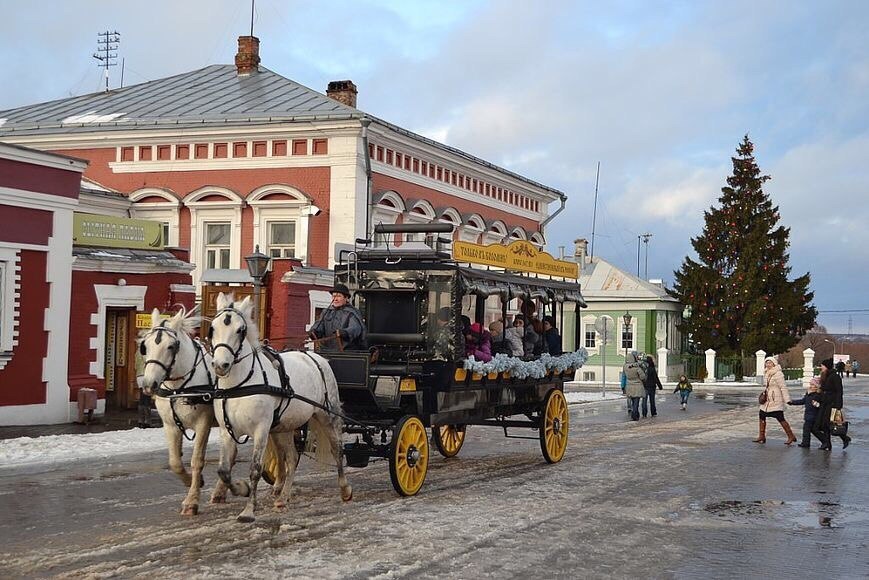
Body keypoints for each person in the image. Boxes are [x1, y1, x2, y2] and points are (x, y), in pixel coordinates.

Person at [309, 283, 365, 351]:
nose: (335, 299)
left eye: (338, 296)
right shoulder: (327, 312)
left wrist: (345, 332)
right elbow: (319, 325)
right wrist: (314, 331)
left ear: (346, 298)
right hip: (326, 350)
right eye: (333, 296)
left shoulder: (351, 313)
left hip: (346, 351)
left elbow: (355, 328)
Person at [754, 356, 797, 445]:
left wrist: (787, 399)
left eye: (770, 363)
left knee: (779, 417)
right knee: (762, 414)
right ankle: (762, 436)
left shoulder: (778, 374)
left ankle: (791, 436)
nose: (768, 364)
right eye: (767, 362)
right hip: (767, 399)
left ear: (774, 364)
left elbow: (783, 387)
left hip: (776, 399)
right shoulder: (766, 372)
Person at [811, 358, 851, 450]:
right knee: (822, 425)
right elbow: (822, 390)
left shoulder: (835, 376)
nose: (821, 367)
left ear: (827, 366)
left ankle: (843, 438)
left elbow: (839, 391)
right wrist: (816, 398)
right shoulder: (824, 376)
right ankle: (828, 443)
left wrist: (838, 405)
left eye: (822, 365)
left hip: (832, 404)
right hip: (824, 403)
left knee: (829, 424)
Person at [787, 377, 823, 448]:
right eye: (810, 384)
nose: (810, 386)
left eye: (812, 385)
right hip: (808, 415)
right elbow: (803, 401)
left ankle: (806, 443)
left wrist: (817, 404)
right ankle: (824, 441)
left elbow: (821, 405)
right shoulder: (808, 393)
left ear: (817, 386)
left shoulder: (818, 395)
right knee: (813, 430)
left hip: (813, 415)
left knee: (806, 430)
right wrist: (792, 402)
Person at [623, 351, 647, 421]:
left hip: (629, 385)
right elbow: (642, 377)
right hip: (637, 386)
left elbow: (624, 375)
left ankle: (635, 413)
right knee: (636, 401)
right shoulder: (636, 367)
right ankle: (635, 414)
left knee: (633, 401)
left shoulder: (625, 367)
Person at [135, 349, 152, 428]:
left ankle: (140, 420)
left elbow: (135, 365)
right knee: (147, 398)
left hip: (139, 375)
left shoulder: (137, 352)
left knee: (142, 397)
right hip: (145, 375)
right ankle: (147, 421)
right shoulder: (144, 352)